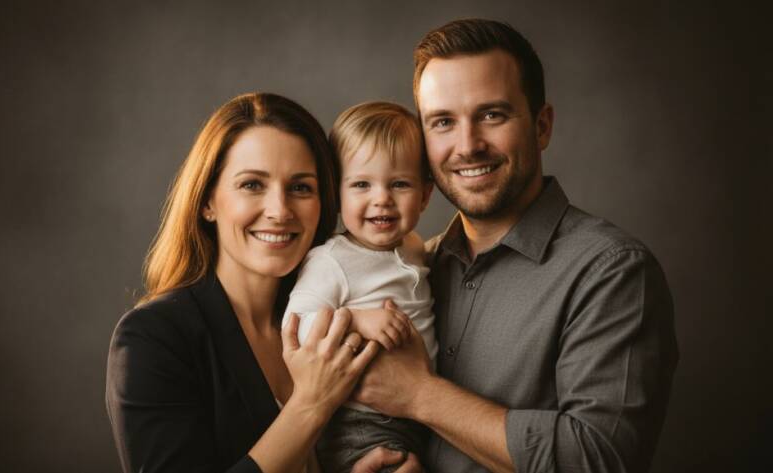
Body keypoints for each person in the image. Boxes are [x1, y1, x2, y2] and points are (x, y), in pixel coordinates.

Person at [352, 19, 679, 473]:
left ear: (541, 126)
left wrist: (419, 395)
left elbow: (599, 459)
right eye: (443, 122)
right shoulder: (417, 266)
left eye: (492, 115)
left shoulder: (612, 271)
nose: (467, 146)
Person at [105, 93, 421, 473]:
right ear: (208, 201)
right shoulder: (154, 338)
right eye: (252, 185)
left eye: (301, 187)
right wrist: (310, 405)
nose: (280, 211)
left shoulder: (336, 313)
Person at [283, 102, 437, 472]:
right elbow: (297, 325)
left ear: (425, 196)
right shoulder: (332, 259)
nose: (381, 198)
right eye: (362, 184)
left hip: (421, 414)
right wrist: (355, 320)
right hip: (359, 420)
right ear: (337, 194)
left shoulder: (414, 246)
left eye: (399, 184)